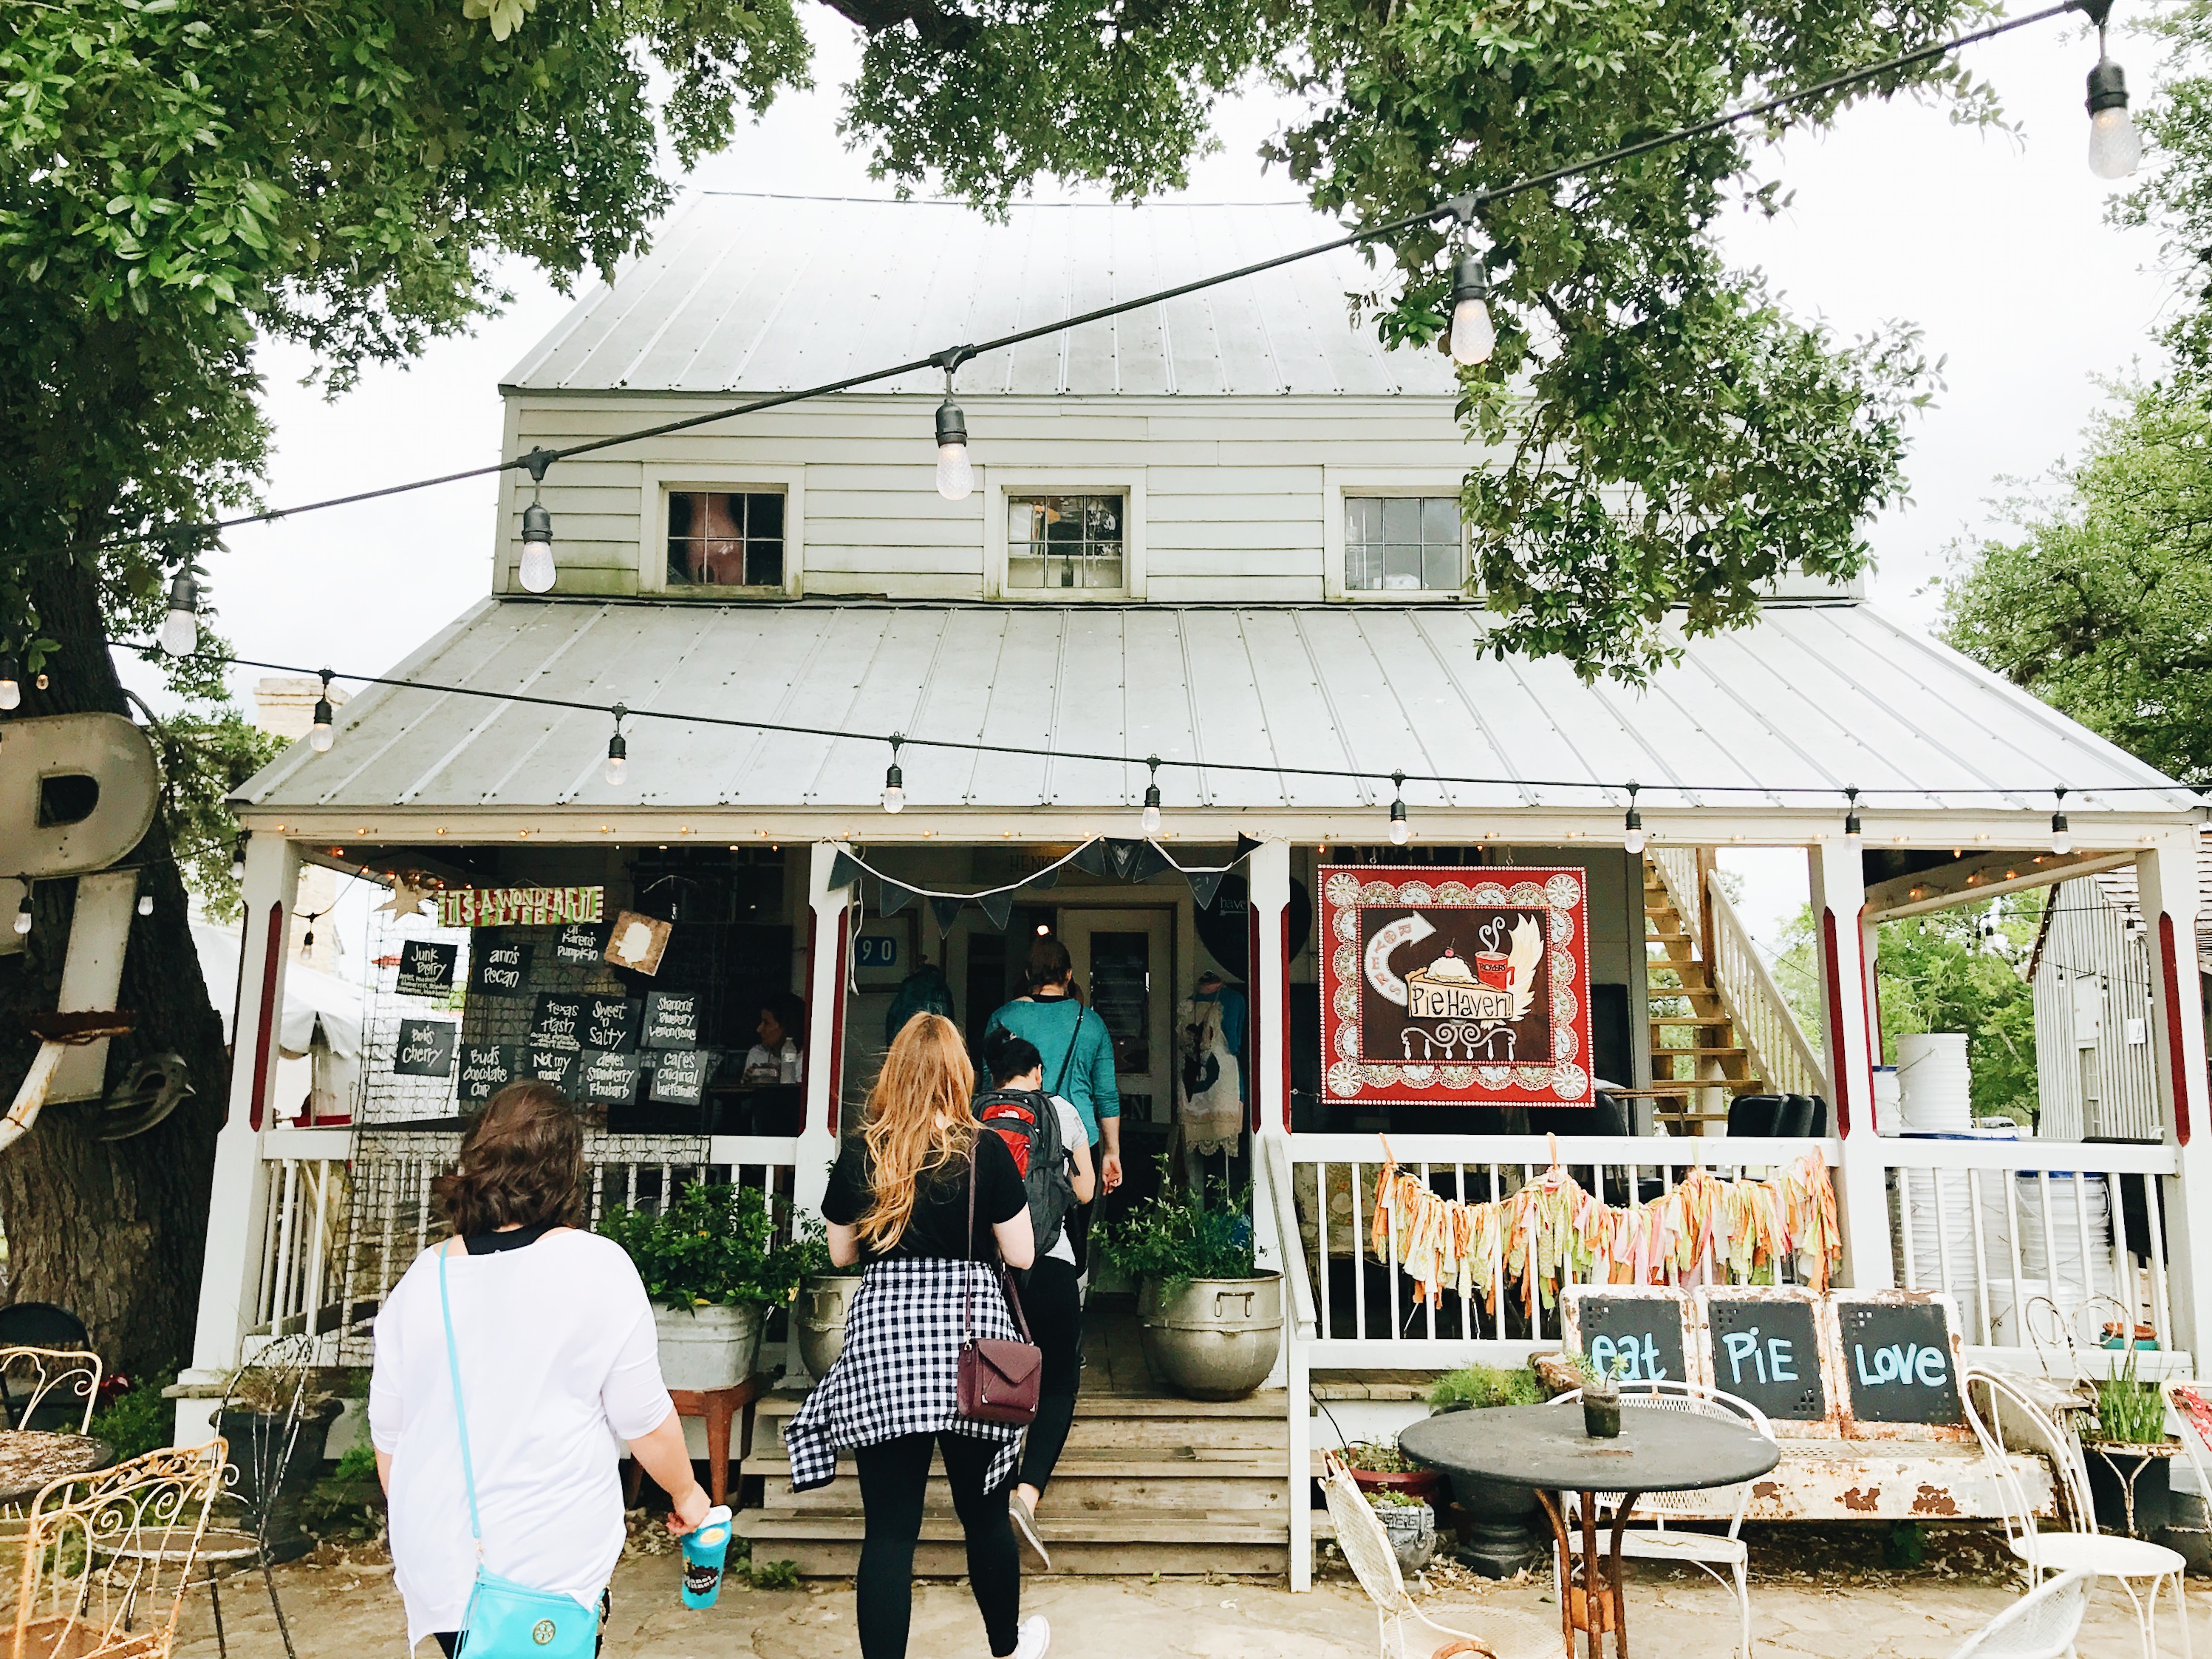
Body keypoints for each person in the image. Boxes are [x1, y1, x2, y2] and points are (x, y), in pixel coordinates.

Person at [369, 1081, 710, 1657]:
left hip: (444, 1567)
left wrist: (440, 1537)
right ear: (566, 1169)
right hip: (547, 1562)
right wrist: (687, 1492)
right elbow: (644, 1419)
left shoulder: (423, 1279)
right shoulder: (597, 1266)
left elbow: (391, 1443)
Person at [789, 1015, 1049, 1659]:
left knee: (889, 1532)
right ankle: (1005, 1647)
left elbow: (842, 1251)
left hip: (885, 1349)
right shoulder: (981, 1146)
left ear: (894, 1072)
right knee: (984, 1516)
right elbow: (1023, 1254)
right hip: (971, 1351)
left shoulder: (865, 1148)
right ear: (959, 1073)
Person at [974, 1029, 1094, 1570]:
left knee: (988, 1381)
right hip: (1050, 1260)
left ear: (992, 1073)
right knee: (1060, 1381)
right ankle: (1025, 1494)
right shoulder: (1062, 1112)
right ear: (1038, 1071)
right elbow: (1087, 1192)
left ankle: (984, 1493)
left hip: (985, 1270)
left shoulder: (970, 1113)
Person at [985, 936, 1122, 1273]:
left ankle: (1012, 1310)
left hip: (1011, 1139)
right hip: (1074, 1145)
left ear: (1029, 973)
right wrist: (1111, 1151)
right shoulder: (1090, 1022)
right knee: (1070, 1237)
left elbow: (986, 1085)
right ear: (1070, 974)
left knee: (1002, 1231)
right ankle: (1064, 1303)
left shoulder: (1003, 1018)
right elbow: (1106, 1094)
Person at [743, 990, 806, 1086]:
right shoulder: (757, 1054)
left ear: (786, 1027)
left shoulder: (806, 1061)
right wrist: (747, 1084)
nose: (759, 1029)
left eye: (767, 1023)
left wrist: (779, 1078)